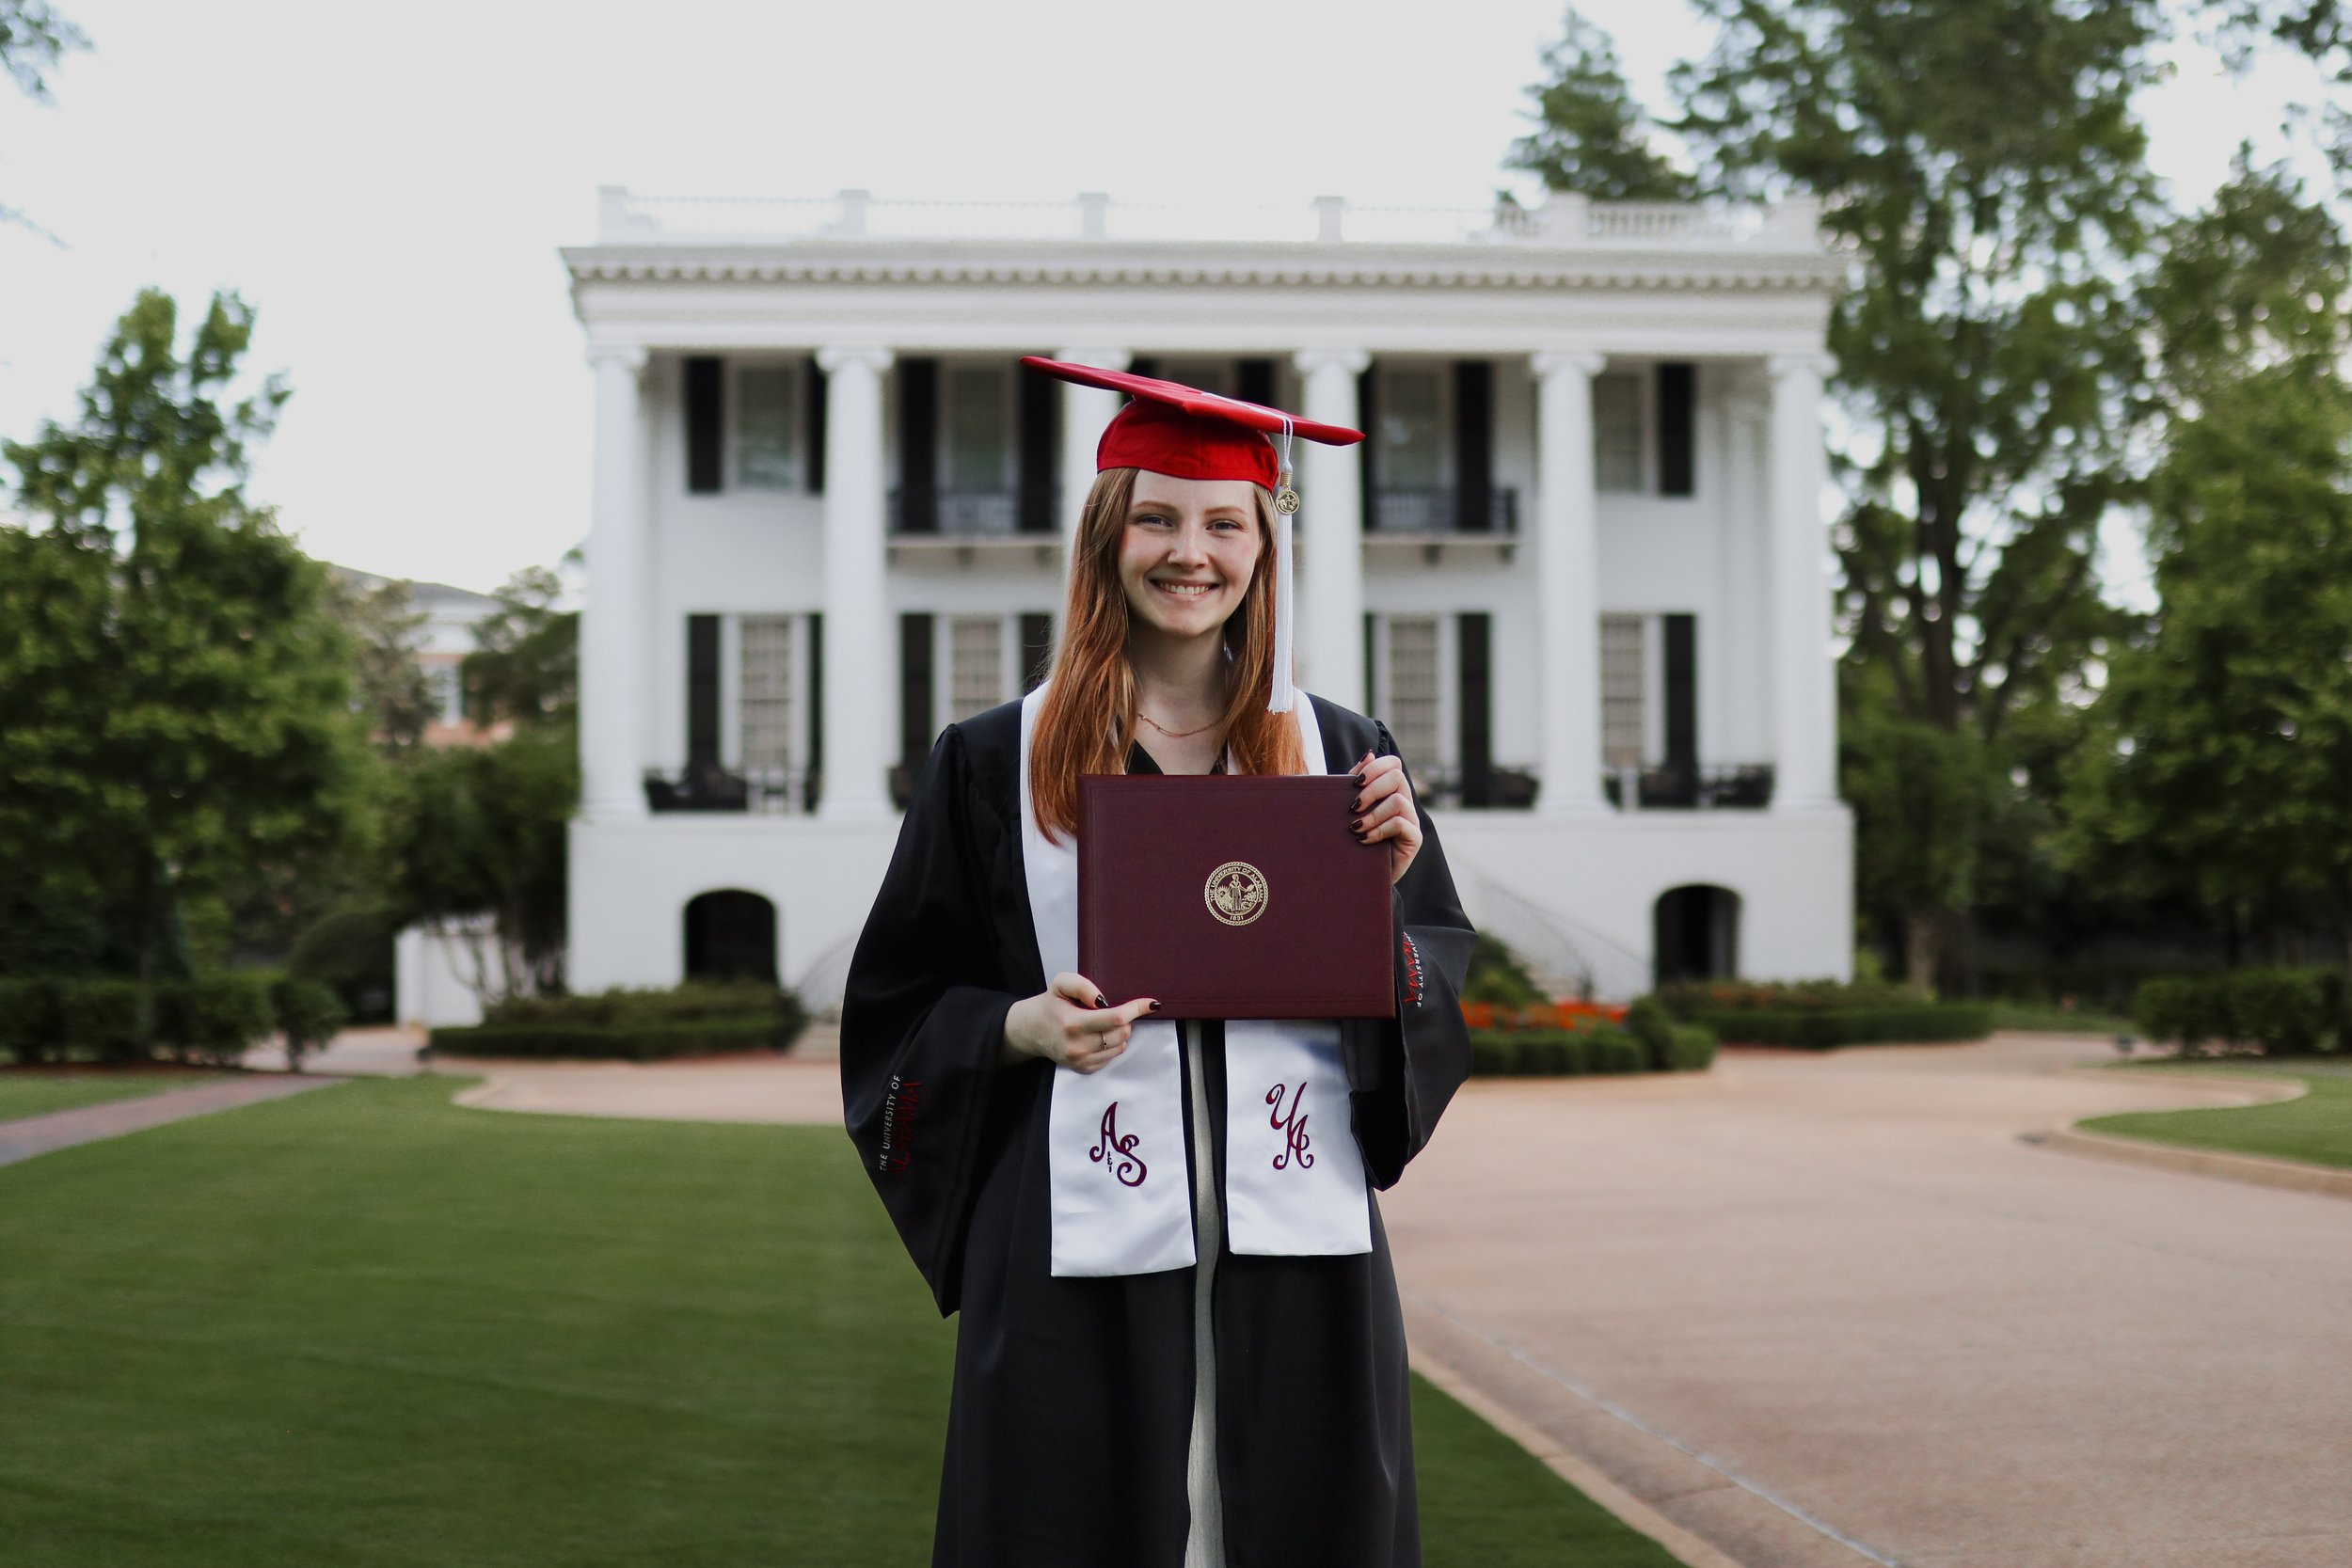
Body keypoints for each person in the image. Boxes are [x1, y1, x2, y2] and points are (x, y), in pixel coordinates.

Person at [840, 357, 1475, 1568]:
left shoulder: (1341, 752)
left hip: (1295, 1245)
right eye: (1160, 517)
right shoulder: (989, 761)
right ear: (1107, 538)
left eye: (1225, 522)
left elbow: (1427, 982)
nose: (1193, 552)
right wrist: (1020, 1026)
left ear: (1261, 549)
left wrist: (1376, 903)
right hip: (1075, 1235)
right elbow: (897, 1007)